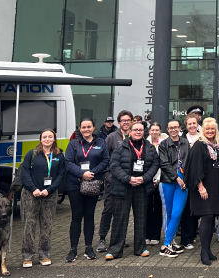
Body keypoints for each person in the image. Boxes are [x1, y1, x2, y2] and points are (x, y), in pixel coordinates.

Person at [105, 122, 160, 260]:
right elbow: (114, 165)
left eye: (140, 130)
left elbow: (155, 164)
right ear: (130, 132)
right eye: (135, 129)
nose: (138, 132)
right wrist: (128, 179)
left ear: (144, 132)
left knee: (141, 219)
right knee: (120, 219)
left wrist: (145, 178)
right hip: (123, 187)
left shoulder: (149, 147)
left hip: (141, 187)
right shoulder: (121, 146)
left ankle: (140, 248)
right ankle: (115, 249)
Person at [184, 118, 219, 265]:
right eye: (207, 129)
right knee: (206, 217)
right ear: (202, 130)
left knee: (212, 219)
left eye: (212, 129)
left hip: (216, 188)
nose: (210, 131)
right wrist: (200, 187)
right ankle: (203, 252)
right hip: (202, 188)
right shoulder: (199, 146)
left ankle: (208, 249)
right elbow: (194, 169)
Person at [64, 118, 109, 262]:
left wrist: (92, 173)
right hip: (75, 184)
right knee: (77, 216)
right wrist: (82, 174)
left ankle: (89, 247)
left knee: (89, 215)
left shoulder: (101, 142)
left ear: (94, 128)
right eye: (83, 127)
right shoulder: (73, 143)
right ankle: (73, 249)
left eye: (89, 127)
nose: (86, 129)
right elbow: (68, 162)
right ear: (80, 129)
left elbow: (106, 160)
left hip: (93, 183)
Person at [19, 129, 67, 267]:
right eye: (44, 137)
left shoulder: (59, 156)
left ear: (54, 139)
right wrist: (33, 189)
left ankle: (44, 254)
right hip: (30, 194)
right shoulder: (32, 154)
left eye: (50, 137)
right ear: (40, 139)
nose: (47, 139)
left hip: (49, 195)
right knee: (29, 224)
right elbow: (25, 172)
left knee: (47, 225)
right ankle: (27, 256)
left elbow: (60, 176)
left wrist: (49, 190)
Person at [97, 110, 133, 253]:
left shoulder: (134, 136)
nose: (126, 122)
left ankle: (119, 239)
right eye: (123, 120)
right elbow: (104, 157)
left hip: (129, 181)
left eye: (128, 120)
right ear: (119, 123)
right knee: (108, 210)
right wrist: (108, 175)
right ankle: (102, 239)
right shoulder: (112, 137)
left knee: (123, 212)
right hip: (113, 180)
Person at [157, 119, 190, 257]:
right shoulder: (163, 144)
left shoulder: (186, 142)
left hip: (183, 181)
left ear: (180, 128)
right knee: (169, 213)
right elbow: (164, 164)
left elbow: (189, 162)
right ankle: (169, 243)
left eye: (176, 127)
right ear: (167, 129)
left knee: (177, 213)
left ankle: (166, 244)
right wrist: (177, 178)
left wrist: (186, 178)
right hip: (168, 181)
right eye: (170, 128)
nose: (173, 130)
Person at [179, 112, 202, 250]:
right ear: (186, 126)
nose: (192, 126)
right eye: (189, 124)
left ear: (197, 124)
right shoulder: (182, 139)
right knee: (187, 209)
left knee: (197, 208)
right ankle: (186, 238)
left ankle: (194, 233)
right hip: (186, 177)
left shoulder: (203, 138)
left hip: (200, 177)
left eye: (194, 123)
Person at [145, 122, 167, 245]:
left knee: (158, 208)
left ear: (160, 131)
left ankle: (156, 236)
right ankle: (146, 235)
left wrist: (157, 179)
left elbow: (163, 163)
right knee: (147, 208)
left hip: (160, 180)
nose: (154, 132)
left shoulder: (164, 144)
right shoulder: (145, 143)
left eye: (156, 130)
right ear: (149, 131)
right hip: (147, 180)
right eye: (152, 130)